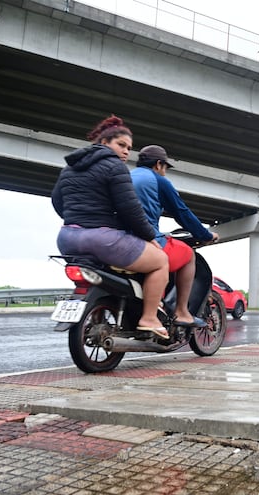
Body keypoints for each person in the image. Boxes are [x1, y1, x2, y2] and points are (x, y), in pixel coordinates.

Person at [51, 115, 171, 339]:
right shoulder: (114, 166)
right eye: (121, 145)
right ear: (105, 143)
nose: (126, 152)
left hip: (67, 237)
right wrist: (149, 236)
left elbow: (58, 202)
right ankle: (149, 318)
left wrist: (77, 217)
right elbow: (130, 209)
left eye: (129, 148)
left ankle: (108, 309)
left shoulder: (69, 168)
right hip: (100, 238)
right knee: (160, 261)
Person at [131, 145, 218, 328]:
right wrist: (205, 235)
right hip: (146, 240)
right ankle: (182, 312)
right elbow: (182, 212)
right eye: (166, 168)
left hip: (117, 239)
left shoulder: (126, 177)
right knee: (187, 255)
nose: (165, 173)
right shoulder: (158, 181)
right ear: (159, 164)